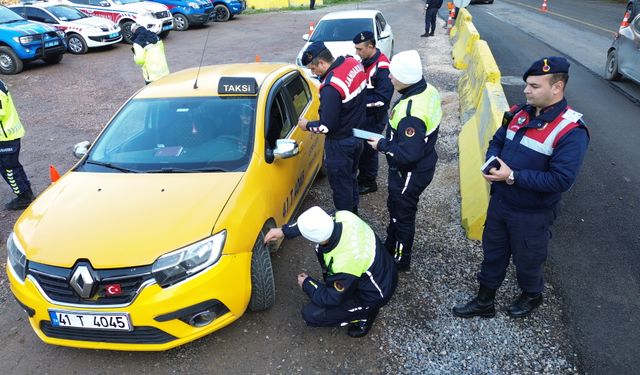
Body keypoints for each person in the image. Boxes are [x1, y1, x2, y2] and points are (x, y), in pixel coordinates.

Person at [452, 57, 590, 319]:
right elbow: (497, 140)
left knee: (528, 259)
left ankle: (532, 295)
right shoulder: (518, 113)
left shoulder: (571, 131)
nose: (526, 90)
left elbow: (561, 180)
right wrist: (492, 164)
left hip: (532, 213)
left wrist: (512, 175)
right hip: (501, 202)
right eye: (527, 84)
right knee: (493, 252)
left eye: (534, 86)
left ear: (557, 88)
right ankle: (484, 300)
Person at [264, 206, 398, 338]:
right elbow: (314, 221)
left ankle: (365, 315)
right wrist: (284, 231)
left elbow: (330, 299)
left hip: (375, 294)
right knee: (325, 259)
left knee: (311, 314)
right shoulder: (343, 216)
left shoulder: (344, 262)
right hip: (383, 268)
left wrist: (307, 284)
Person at [367, 50, 442, 271]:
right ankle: (391, 244)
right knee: (396, 209)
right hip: (423, 164)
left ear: (405, 78)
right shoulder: (428, 90)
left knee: (402, 215)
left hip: (410, 172)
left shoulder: (411, 112)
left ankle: (400, 259)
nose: (390, 78)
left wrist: (382, 145)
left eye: (393, 75)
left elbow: (409, 155)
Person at [297, 41, 367, 214]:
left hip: (341, 144)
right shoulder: (352, 64)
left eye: (313, 69)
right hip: (358, 134)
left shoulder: (330, 87)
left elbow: (326, 127)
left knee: (341, 186)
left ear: (322, 63)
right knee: (350, 178)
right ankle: (353, 211)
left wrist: (307, 125)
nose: (313, 73)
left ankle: (346, 220)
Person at [352, 31, 393, 195]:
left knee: (369, 150)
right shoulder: (365, 60)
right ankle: (363, 178)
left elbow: (382, 99)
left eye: (359, 49)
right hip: (364, 116)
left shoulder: (382, 67)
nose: (357, 52)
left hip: (374, 118)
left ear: (371, 46)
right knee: (362, 148)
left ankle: (369, 182)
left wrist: (357, 103)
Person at [0, 80, 34, 211]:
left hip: (6, 137)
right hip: (7, 135)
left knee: (9, 169)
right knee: (11, 166)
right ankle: (26, 191)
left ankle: (24, 197)